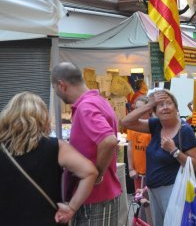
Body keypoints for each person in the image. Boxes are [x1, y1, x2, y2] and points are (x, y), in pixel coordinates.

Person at [0, 92, 98, 225]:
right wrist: (71, 208)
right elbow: (90, 172)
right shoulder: (56, 147)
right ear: (43, 118)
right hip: (46, 219)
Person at [51, 62, 122, 225]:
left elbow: (109, 141)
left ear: (62, 85)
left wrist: (97, 173)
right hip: (99, 196)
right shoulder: (98, 100)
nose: (56, 93)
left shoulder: (86, 107)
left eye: (55, 89)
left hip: (95, 197)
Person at [121, 89, 196, 226]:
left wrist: (174, 151)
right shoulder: (156, 125)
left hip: (174, 190)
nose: (164, 107)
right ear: (154, 111)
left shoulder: (184, 130)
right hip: (153, 189)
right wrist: (148, 104)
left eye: (168, 103)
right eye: (160, 105)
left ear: (176, 108)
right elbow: (126, 122)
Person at [127, 96, 152, 190]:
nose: (138, 111)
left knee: (150, 200)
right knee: (139, 199)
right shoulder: (133, 125)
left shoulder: (153, 124)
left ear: (149, 110)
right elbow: (130, 147)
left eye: (141, 108)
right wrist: (131, 169)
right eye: (136, 108)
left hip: (151, 172)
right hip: (137, 173)